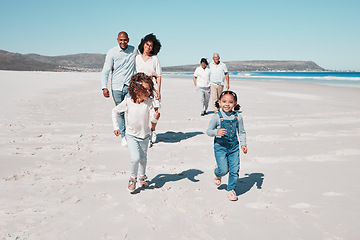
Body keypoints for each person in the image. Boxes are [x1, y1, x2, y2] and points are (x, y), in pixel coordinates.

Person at [112, 73, 160, 192]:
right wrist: (115, 127)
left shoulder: (148, 102)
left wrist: (155, 117)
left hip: (145, 135)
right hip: (131, 135)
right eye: (146, 90)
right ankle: (132, 178)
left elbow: (151, 120)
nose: (149, 93)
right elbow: (115, 111)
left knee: (143, 158)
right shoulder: (128, 101)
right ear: (136, 89)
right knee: (135, 158)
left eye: (150, 89)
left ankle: (142, 177)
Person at [206, 91, 247, 201]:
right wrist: (216, 132)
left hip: (234, 147)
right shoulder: (217, 117)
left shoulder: (238, 117)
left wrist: (243, 144)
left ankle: (231, 190)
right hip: (220, 147)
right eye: (224, 101)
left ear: (235, 103)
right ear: (219, 102)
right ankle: (217, 172)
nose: (227, 104)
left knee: (234, 169)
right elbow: (208, 131)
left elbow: (242, 132)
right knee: (223, 170)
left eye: (230, 102)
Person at [101, 31, 137, 147]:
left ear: (128, 40)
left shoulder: (134, 50)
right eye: (121, 40)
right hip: (116, 87)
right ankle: (123, 137)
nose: (123, 42)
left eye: (125, 40)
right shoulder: (112, 52)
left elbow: (141, 63)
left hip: (129, 86)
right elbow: (106, 70)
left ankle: (132, 135)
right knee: (120, 112)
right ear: (117, 40)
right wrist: (104, 87)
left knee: (131, 111)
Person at [135, 33, 162, 145]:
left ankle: (153, 130)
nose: (148, 47)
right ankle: (145, 134)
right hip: (140, 86)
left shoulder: (155, 59)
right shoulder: (137, 58)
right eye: (147, 44)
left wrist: (158, 91)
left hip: (153, 86)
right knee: (142, 111)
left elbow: (159, 75)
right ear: (143, 44)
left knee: (156, 111)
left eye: (151, 45)